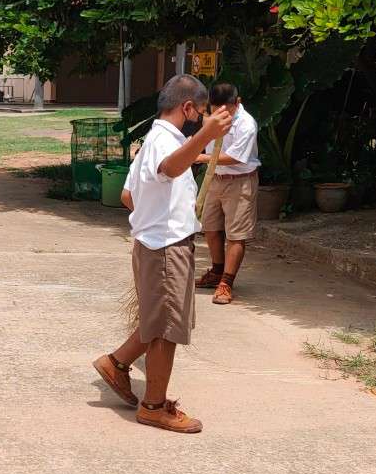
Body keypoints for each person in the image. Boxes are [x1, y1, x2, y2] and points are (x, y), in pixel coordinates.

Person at [92, 74, 232, 434]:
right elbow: (169, 168)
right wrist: (205, 136)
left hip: (158, 244)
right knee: (166, 329)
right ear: (187, 108)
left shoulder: (155, 141)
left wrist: (155, 212)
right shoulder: (164, 142)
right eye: (199, 113)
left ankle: (116, 364)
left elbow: (128, 196)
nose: (200, 120)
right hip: (165, 248)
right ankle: (154, 407)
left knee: (159, 321)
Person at [193, 82, 260, 305]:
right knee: (210, 228)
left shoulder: (247, 124)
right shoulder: (211, 118)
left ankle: (227, 282)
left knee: (235, 234)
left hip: (240, 181)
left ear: (237, 103)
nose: (221, 114)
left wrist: (201, 158)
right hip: (216, 178)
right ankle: (216, 272)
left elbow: (236, 157)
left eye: (226, 110)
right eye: (216, 110)